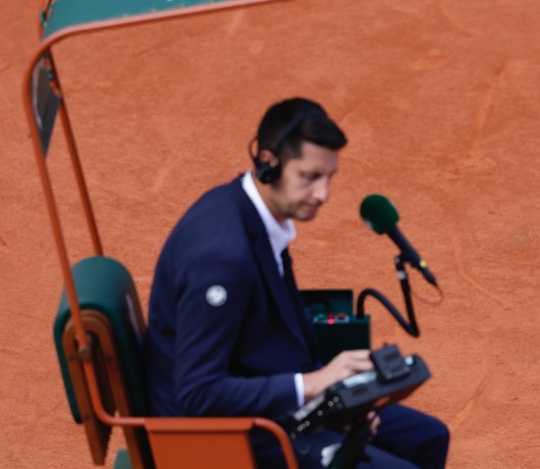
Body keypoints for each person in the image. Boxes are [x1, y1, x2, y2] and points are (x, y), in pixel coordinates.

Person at [142, 98, 450, 469]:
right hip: (223, 436)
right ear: (269, 163)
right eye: (309, 177)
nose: (323, 194)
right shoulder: (222, 258)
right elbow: (199, 393)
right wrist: (313, 385)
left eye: (329, 177)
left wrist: (340, 398)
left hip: (264, 393)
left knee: (429, 438)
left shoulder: (254, 212)